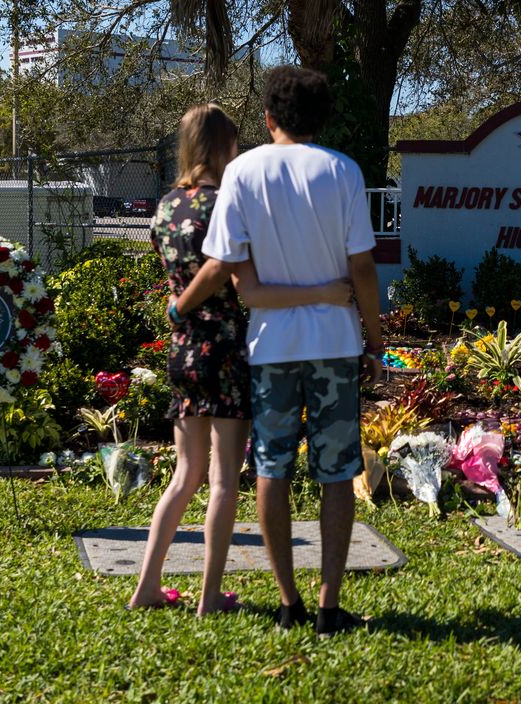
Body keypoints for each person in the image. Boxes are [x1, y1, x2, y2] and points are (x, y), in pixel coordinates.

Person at [172, 66, 382, 637]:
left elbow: (226, 267)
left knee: (272, 469)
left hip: (269, 347)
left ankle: (287, 599)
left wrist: (179, 308)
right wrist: (375, 341)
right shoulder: (343, 171)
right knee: (337, 473)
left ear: (268, 119)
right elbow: (362, 267)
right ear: (321, 119)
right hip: (336, 344)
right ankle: (328, 604)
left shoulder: (241, 172)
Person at [128, 102, 351, 616]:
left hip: (183, 350)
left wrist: (178, 307)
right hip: (225, 350)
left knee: (184, 477)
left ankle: (146, 586)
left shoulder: (165, 206)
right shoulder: (223, 203)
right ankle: (209, 598)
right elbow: (244, 287)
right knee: (225, 481)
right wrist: (324, 293)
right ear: (225, 146)